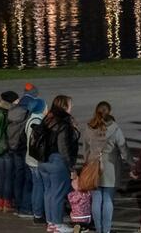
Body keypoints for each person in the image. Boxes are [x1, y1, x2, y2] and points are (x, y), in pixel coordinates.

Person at [82, 101, 129, 233]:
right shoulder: (114, 128)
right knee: (108, 199)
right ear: (110, 112)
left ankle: (98, 229)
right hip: (110, 167)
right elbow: (123, 147)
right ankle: (106, 230)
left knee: (96, 199)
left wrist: (87, 162)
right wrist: (131, 163)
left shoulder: (89, 127)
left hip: (93, 165)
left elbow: (85, 148)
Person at [39, 95, 80, 233]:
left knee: (49, 193)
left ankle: (51, 222)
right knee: (57, 194)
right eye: (70, 105)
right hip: (57, 161)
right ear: (64, 106)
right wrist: (71, 168)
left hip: (43, 161)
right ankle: (57, 224)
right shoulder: (63, 123)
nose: (72, 107)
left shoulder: (47, 119)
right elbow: (64, 148)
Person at [7, 88, 34, 218]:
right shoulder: (27, 114)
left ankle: (17, 204)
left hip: (13, 146)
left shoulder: (12, 112)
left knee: (18, 176)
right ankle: (25, 207)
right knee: (27, 178)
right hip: (23, 147)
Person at [0, 91, 15, 212]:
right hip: (7, 148)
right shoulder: (8, 113)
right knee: (8, 177)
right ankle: (7, 203)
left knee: (1, 176)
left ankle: (0, 203)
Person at [24, 98, 47, 226]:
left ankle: (36, 212)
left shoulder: (30, 119)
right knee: (39, 187)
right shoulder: (37, 121)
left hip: (30, 158)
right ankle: (38, 214)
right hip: (36, 160)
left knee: (36, 186)